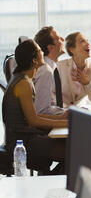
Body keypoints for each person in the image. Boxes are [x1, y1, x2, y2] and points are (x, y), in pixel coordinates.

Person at [2, 40, 67, 173]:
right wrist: (66, 123)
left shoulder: (22, 78)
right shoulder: (24, 83)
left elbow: (33, 115)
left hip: (24, 137)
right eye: (39, 51)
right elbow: (33, 121)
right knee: (72, 151)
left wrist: (61, 118)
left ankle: (50, 178)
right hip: (21, 142)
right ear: (34, 60)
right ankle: (50, 181)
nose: (43, 52)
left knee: (70, 147)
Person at [57, 32, 91, 107]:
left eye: (87, 41)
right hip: (60, 111)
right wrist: (65, 106)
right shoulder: (60, 66)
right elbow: (51, 94)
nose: (88, 44)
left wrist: (88, 83)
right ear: (72, 49)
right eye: (82, 41)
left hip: (79, 112)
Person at [33, 26, 67, 115]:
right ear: (51, 48)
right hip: (44, 126)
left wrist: (66, 110)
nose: (63, 39)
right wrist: (67, 113)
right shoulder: (45, 71)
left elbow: (49, 102)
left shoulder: (51, 68)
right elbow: (41, 110)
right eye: (59, 39)